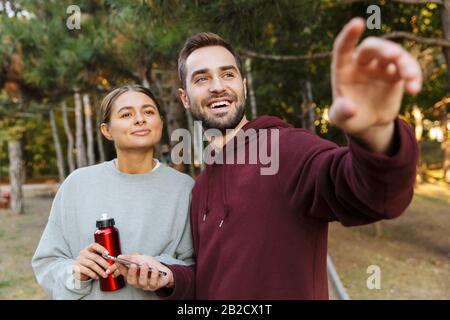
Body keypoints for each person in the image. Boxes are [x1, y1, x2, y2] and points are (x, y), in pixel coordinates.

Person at [111, 18, 422, 299]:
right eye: (202, 78)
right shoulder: (202, 186)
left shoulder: (288, 149)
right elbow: (210, 280)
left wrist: (376, 132)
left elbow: (370, 194)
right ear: (184, 97)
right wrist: (170, 278)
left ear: (243, 85)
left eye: (228, 74)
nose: (218, 86)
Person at [32, 85, 194, 299]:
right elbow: (47, 262)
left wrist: (166, 273)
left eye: (148, 112)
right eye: (126, 114)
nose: (140, 119)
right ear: (107, 130)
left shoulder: (185, 188)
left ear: (160, 123)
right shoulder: (77, 185)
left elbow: (197, 267)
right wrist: (77, 273)